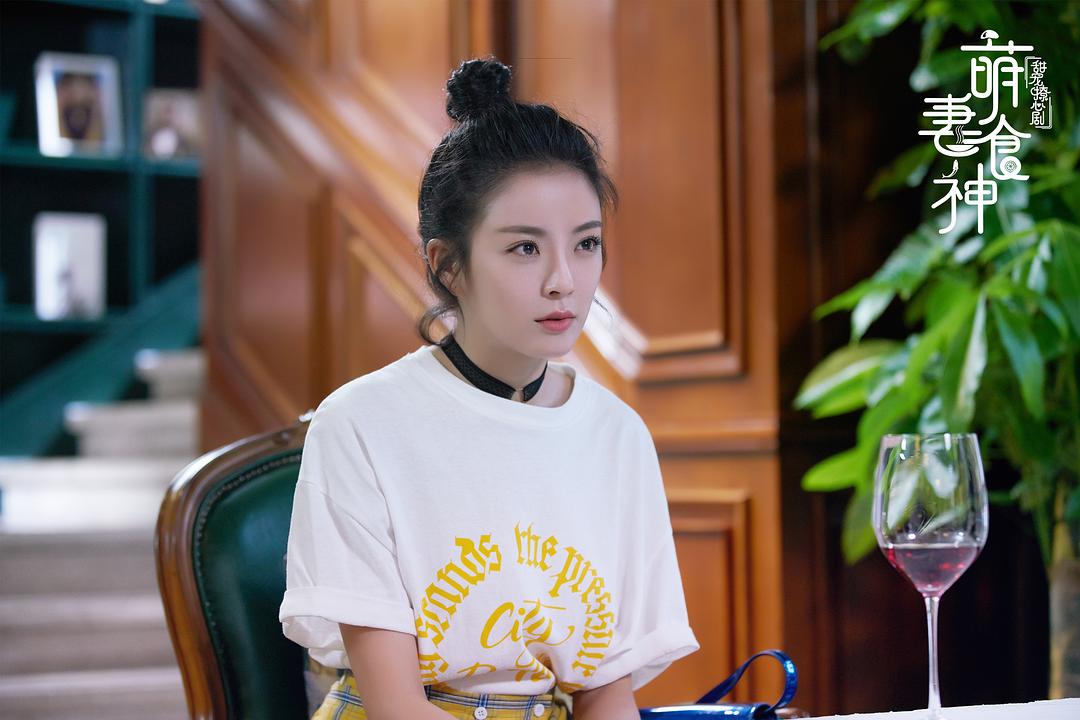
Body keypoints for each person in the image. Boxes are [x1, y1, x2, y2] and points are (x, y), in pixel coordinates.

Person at [279, 56, 700, 720]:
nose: (564, 281)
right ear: (448, 264)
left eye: (586, 244)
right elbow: (396, 708)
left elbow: (606, 693)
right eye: (525, 248)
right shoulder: (362, 424)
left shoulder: (616, 436)